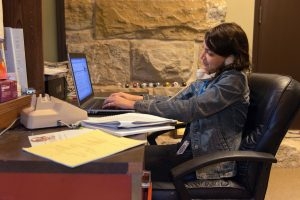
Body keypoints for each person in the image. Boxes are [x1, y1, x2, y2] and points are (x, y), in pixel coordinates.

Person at [102, 22, 251, 182]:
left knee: (125, 163)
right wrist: (136, 98)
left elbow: (189, 109)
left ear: (230, 59)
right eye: (204, 50)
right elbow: (175, 101)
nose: (202, 57)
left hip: (206, 164)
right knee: (125, 155)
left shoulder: (233, 82)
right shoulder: (215, 78)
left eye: (209, 53)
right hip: (191, 151)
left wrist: (133, 106)